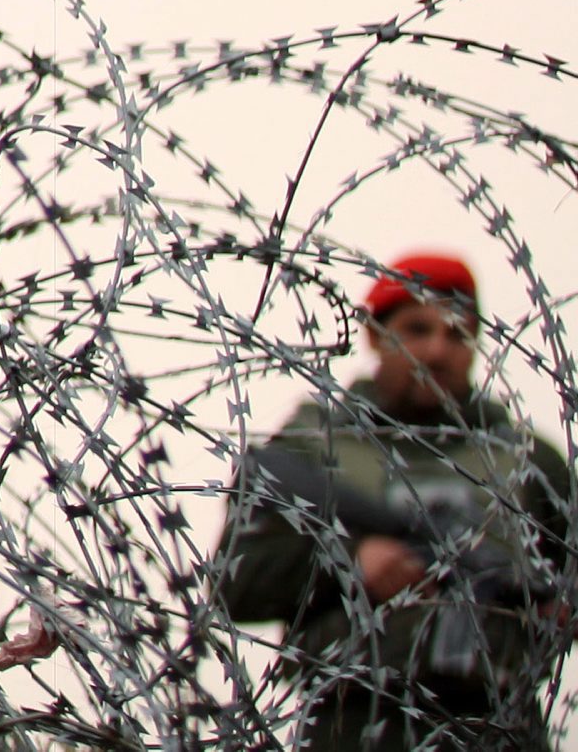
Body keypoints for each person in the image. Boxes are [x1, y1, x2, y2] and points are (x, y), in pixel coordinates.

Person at [216, 251, 572, 752]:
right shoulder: (316, 449)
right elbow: (235, 583)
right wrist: (348, 561)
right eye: (417, 329)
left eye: (456, 334)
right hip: (354, 720)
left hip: (497, 721)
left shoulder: (530, 464)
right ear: (377, 337)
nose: (436, 351)